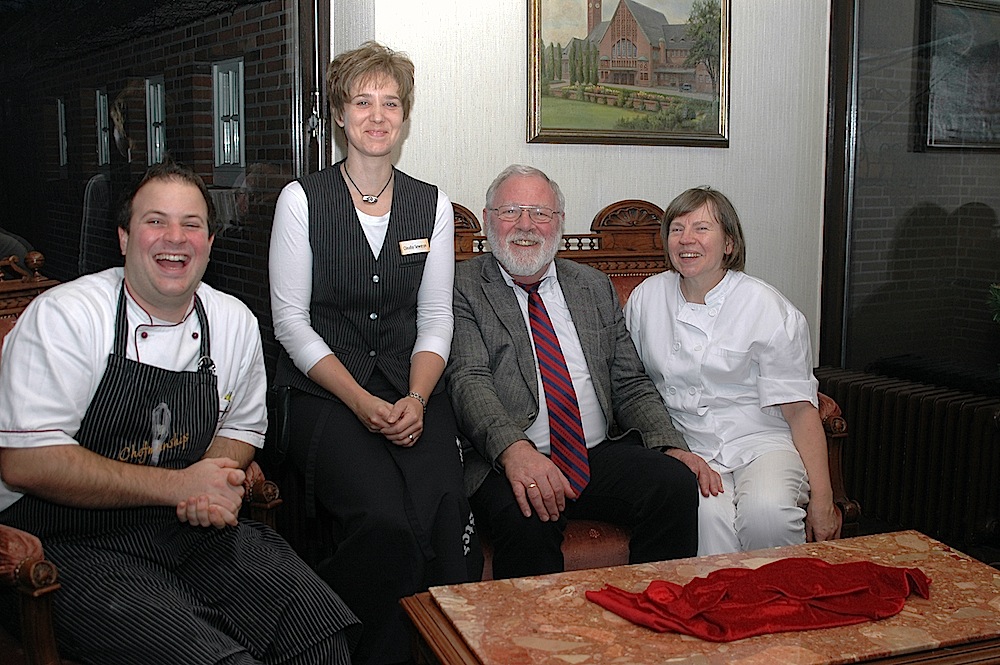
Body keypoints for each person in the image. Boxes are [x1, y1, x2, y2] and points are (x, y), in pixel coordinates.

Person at [0, 159, 360, 665]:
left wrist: (211, 483)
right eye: (155, 221)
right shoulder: (67, 316)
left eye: (192, 224)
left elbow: (241, 430)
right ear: (124, 237)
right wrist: (179, 485)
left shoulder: (233, 322)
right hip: (69, 541)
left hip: (186, 527)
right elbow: (27, 461)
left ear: (210, 241)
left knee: (320, 635)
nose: (175, 238)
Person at [269, 41, 478, 665]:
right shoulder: (301, 201)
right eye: (363, 101)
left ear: (406, 117)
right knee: (384, 521)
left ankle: (450, 654)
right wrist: (363, 402)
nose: (377, 115)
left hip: (412, 386)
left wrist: (416, 397)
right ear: (339, 114)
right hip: (325, 392)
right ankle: (350, 649)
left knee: (445, 515)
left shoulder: (431, 204)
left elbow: (436, 319)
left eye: (391, 103)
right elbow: (290, 324)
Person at [447, 164, 714, 580]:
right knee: (529, 515)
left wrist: (670, 444)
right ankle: (534, 643)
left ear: (558, 223)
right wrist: (515, 451)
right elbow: (469, 380)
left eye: (539, 213)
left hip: (595, 451)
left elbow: (630, 383)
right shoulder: (462, 285)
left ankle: (655, 622)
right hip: (508, 457)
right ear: (486, 220)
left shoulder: (591, 285)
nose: (526, 225)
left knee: (673, 485)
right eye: (510, 211)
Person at [623, 186, 841, 556]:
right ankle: (721, 610)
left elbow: (800, 411)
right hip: (688, 447)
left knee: (767, 515)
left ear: (728, 243)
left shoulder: (768, 308)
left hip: (761, 442)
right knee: (706, 522)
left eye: (702, 228)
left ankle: (777, 609)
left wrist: (823, 500)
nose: (687, 239)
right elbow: (630, 384)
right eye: (677, 229)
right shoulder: (646, 298)